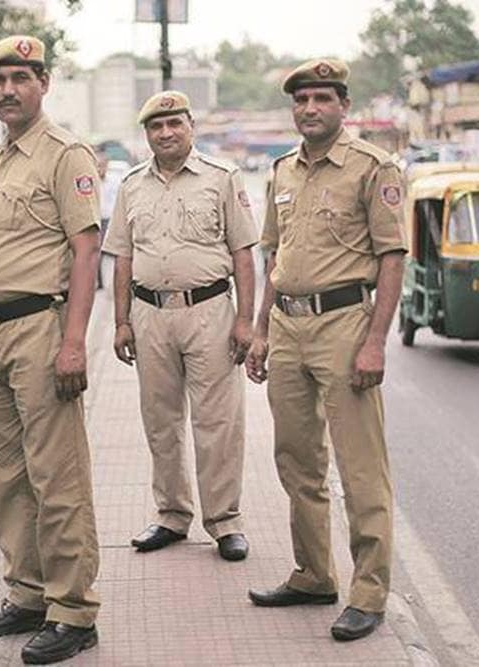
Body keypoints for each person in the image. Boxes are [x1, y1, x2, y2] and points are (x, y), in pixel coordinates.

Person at [0, 35, 102, 665]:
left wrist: (74, 343)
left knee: (55, 474)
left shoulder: (65, 154)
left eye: (20, 78)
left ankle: (73, 611)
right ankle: (29, 592)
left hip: (38, 330)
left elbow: (87, 251)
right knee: (6, 475)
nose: (8, 90)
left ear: (43, 84)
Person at [244, 58, 407, 643]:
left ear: (343, 106)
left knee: (360, 467)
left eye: (321, 99)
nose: (309, 109)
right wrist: (260, 330)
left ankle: (369, 593)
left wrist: (375, 342)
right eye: (301, 100)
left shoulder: (372, 167)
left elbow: (392, 257)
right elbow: (274, 255)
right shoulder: (282, 171)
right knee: (296, 459)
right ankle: (313, 574)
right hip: (287, 326)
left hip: (345, 325)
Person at [102, 91, 257, 562]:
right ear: (147, 134)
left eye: (175, 124)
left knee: (218, 422)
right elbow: (123, 257)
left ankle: (225, 521)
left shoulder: (222, 177)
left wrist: (245, 321)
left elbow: (243, 255)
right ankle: (171, 515)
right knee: (160, 421)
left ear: (191, 127)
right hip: (149, 315)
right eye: (156, 126)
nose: (166, 133)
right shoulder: (132, 185)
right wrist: (121, 321)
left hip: (209, 312)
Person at [95, 153, 122, 289]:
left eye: (102, 165)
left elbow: (118, 200)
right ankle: (99, 282)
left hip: (110, 220)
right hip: (97, 220)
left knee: (115, 251)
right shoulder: (92, 182)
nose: (100, 169)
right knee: (96, 251)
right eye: (98, 166)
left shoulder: (114, 180)